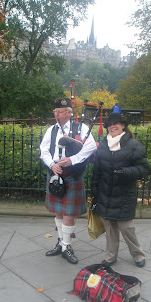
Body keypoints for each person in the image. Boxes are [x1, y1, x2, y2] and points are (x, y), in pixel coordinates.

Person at [40, 98, 97, 264]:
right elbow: (43, 150)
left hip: (72, 175)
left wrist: (73, 160)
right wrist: (51, 164)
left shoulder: (81, 128)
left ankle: (66, 246)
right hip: (55, 174)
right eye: (55, 112)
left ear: (69, 113)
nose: (56, 114)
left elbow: (91, 148)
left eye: (60, 111)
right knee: (59, 211)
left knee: (68, 213)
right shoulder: (51, 130)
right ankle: (60, 242)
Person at [91, 113, 150, 268]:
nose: (112, 126)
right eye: (110, 124)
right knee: (110, 228)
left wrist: (125, 172)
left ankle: (138, 255)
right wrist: (95, 192)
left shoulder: (133, 145)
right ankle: (110, 256)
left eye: (116, 123)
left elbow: (145, 168)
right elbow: (97, 171)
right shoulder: (103, 145)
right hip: (105, 194)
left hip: (124, 195)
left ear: (123, 126)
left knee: (127, 228)